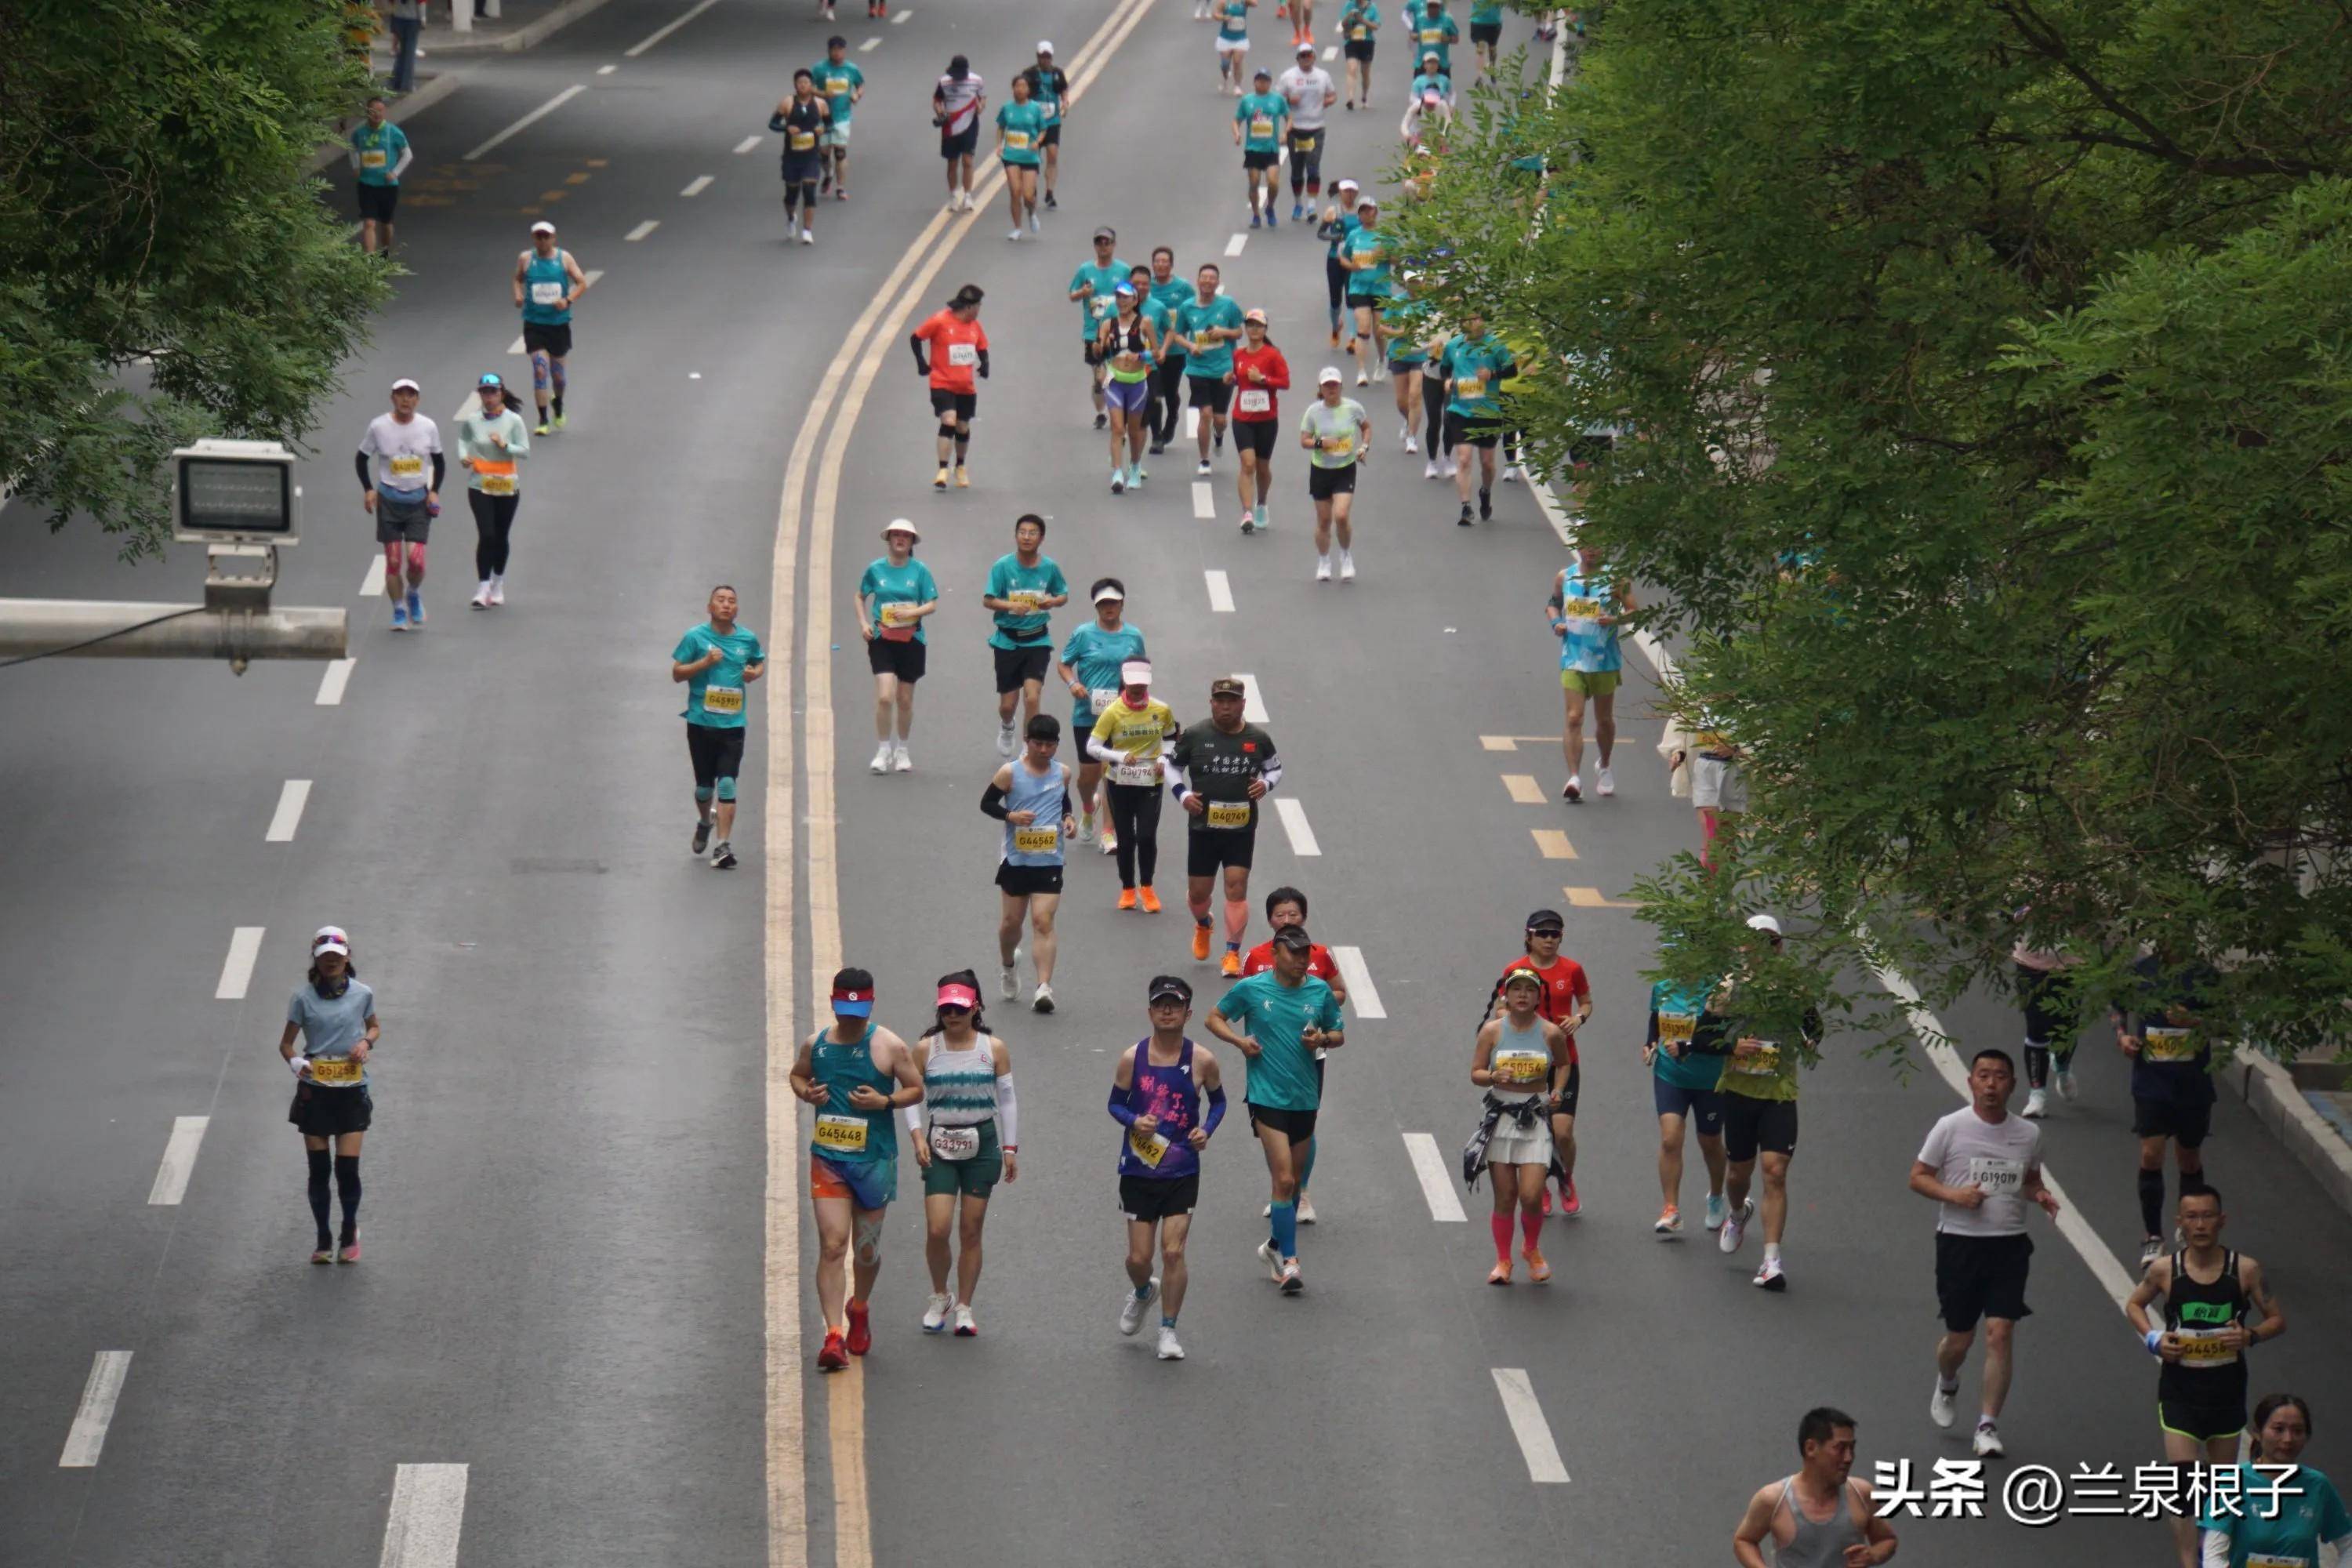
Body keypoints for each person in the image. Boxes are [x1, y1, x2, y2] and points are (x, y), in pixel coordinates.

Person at [1910, 1048, 2060, 1458]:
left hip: (2009, 1244)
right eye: (1983, 1075)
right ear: (1972, 1082)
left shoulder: (2028, 1134)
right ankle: (1947, 1380)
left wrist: (2041, 1195)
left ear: (2012, 1084)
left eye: (2000, 1076)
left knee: (2000, 1332)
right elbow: (1918, 1177)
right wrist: (1954, 1195)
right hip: (1959, 1243)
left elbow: (2030, 1180)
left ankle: (1987, 1425)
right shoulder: (1951, 1127)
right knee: (1960, 1338)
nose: (1991, 1084)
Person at [2126, 1187, 2285, 1568]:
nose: (2200, 1225)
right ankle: (2189, 1562)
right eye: (2192, 1217)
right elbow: (2134, 1304)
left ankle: (2212, 1550)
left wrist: (2250, 1336)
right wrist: (2154, 1339)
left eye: (2207, 1216)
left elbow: (2277, 1319)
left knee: (2219, 1485)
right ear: (2180, 1223)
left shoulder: (2245, 1270)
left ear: (2221, 1220)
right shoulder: (2165, 1270)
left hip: (2226, 1392)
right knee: (2184, 1482)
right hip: (2179, 1390)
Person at [790, 968, 925, 1371]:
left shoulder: (890, 1046)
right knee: (833, 1245)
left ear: (871, 1005)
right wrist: (807, 1092)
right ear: (833, 1004)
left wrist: (884, 1103)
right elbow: (797, 1075)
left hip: (874, 1162)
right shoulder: (816, 1045)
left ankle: (860, 1307)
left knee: (866, 1251)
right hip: (828, 1160)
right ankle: (833, 1335)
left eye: (859, 1012)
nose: (851, 1019)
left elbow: (916, 1089)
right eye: (844, 1011)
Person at [1207, 924, 1345, 1294]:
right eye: (1294, 953)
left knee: (1294, 1184)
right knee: (1283, 1180)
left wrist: (1322, 1039)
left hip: (1305, 1097)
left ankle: (1273, 1246)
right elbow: (1214, 1017)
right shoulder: (1253, 988)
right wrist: (1240, 1042)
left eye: (1305, 953)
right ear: (1276, 954)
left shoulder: (1319, 991)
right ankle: (1291, 1262)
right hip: (1266, 1096)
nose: (1302, 960)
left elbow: (1338, 1033)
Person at [1112, 975, 1229, 1362]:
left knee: (1174, 1252)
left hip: (1182, 1169)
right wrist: (1134, 1121)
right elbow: (1115, 1104)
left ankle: (1168, 1331)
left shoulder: (1202, 1060)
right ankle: (1144, 1291)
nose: (1167, 1011)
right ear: (1149, 1012)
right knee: (1138, 1259)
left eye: (1175, 1005)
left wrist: (1205, 1130)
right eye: (1160, 1004)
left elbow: (1219, 1102)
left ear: (1187, 1014)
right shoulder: (1132, 1058)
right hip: (1139, 1169)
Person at [906, 971, 1019, 1337]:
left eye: (959, 1008)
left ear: (976, 1008)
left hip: (981, 1144)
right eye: (946, 1009)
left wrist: (1010, 1148)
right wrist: (917, 1137)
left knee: (971, 1230)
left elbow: (1007, 1100)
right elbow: (911, 1095)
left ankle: (965, 1307)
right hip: (940, 1144)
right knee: (938, 1228)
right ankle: (940, 1296)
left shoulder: (993, 1048)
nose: (952, 1015)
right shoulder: (926, 1049)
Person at [1718, 913, 1824, 1290]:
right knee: (1738, 1175)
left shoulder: (1794, 987)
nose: (1765, 950)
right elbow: (1706, 1035)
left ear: (1780, 946)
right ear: (1744, 947)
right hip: (1740, 1093)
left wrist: (1811, 1040)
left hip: (1779, 1094)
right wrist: (1733, 1045)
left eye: (1772, 943)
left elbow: (1814, 1024)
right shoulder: (1729, 987)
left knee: (1775, 1172)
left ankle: (1771, 1261)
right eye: (1757, 943)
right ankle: (1737, 1212)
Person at [1240, 887, 1347, 1222]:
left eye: (1293, 914)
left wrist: (1313, 1006)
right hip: (1268, 1057)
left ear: (1304, 916)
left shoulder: (1320, 955)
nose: (1286, 919)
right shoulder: (1255, 957)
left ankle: (1300, 1193)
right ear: (1269, 919)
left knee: (1303, 1124)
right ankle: (1281, 1188)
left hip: (1309, 1054)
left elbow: (1339, 993)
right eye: (1280, 914)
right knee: (1272, 1129)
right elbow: (1244, 1000)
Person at [278, 926, 379, 1265]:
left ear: (347, 957)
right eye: (325, 957)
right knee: (319, 1170)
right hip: (316, 1091)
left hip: (351, 1090)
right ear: (316, 960)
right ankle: (323, 1237)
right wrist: (296, 1062)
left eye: (337, 956)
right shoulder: (303, 998)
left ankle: (349, 1231)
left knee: (347, 1170)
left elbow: (374, 1026)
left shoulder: (363, 994)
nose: (331, 961)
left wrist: (365, 1043)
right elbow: (286, 1044)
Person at [2116, 947, 2223, 1268]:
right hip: (2151, 1081)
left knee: (2188, 1159)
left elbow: (2228, 1025)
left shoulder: (2205, 975)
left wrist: (2195, 1021)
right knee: (2151, 1155)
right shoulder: (2141, 970)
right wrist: (2122, 1036)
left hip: (2193, 1083)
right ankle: (2153, 1237)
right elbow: (2117, 1006)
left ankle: (2188, 1228)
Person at [1480, 909, 1588, 1215]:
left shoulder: (1572, 969)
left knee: (1562, 1131)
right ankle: (1539, 1185)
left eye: (1555, 934)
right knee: (1530, 1130)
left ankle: (1565, 1177)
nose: (1549, 940)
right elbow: (1500, 1008)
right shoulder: (1515, 970)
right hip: (1527, 1063)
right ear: (1529, 937)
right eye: (1542, 934)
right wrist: (1518, 1018)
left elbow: (1586, 1002)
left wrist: (1579, 1018)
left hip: (1563, 1061)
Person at [1171, 675, 1281, 975]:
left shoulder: (1258, 739)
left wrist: (1266, 785)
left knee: (1236, 886)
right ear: (1211, 703)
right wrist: (1183, 795)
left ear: (1243, 704)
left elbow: (1275, 769)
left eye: (1232, 702)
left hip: (1241, 827)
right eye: (1220, 701)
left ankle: (1232, 952)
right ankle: (1203, 923)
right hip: (1203, 828)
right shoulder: (1195, 735)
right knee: (1198, 894)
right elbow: (1172, 767)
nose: (1226, 707)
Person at [1468, 967, 1568, 1284]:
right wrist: (1493, 1076)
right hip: (1501, 1118)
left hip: (1534, 1118)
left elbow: (1564, 1064)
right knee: (1506, 1195)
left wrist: (1557, 1091)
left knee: (1532, 1195)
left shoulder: (1551, 1033)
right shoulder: (1492, 1032)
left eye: (1529, 990)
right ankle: (1503, 1260)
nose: (1522, 995)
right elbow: (1475, 1073)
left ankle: (1531, 1249)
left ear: (1538, 997)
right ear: (1506, 996)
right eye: (1516, 989)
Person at [983, 714, 1079, 1012]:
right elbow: (987, 803)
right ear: (1027, 742)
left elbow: (1063, 801)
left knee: (1043, 921)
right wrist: (1010, 816)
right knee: (1011, 924)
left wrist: (1068, 818)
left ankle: (1043, 988)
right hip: (1017, 859)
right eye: (1038, 744)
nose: (1044, 750)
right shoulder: (1009, 773)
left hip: (1050, 859)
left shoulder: (1063, 773)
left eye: (1050, 745)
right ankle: (1008, 965)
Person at [1730, 1408, 1900, 1568]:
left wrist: (1873, 1555)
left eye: (1852, 1448)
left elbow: (1887, 1539)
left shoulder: (1862, 1494)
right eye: (1840, 1448)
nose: (1849, 1458)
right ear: (1811, 1448)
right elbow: (1744, 1540)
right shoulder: (1774, 1499)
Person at [671, 585, 766, 869]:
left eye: (732, 601)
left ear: (737, 609)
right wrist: (704, 662)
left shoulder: (747, 639)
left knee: (727, 783)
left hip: (733, 724)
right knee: (704, 788)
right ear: (709, 607)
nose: (726, 605)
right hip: (701, 722)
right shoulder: (695, 637)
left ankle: (722, 846)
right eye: (721, 600)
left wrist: (753, 673)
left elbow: (759, 662)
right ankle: (705, 820)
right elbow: (677, 673)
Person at [2198, 1395, 2352, 1568]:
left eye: (2298, 1431)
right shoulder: (2232, 1483)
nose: (2288, 1439)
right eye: (2278, 1429)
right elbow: (2213, 1555)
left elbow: (2348, 1545)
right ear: (2258, 1432)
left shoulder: (2318, 1486)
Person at [1058, 579, 1149, 850]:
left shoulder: (1133, 636)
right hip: (1087, 715)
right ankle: (1089, 806)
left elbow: (1141, 671)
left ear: (1122, 604)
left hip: (1121, 715)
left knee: (1113, 773)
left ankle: (1109, 832)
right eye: (1103, 603)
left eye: (1113, 603)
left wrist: (1138, 699)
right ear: (1096, 606)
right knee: (1088, 777)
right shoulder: (1083, 634)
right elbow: (1064, 664)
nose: (1109, 608)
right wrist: (1073, 684)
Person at [1088, 662, 1181, 910]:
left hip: (1151, 780)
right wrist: (1119, 756)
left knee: (1147, 835)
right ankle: (1128, 889)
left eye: (1142, 684)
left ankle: (1147, 887)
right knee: (1126, 838)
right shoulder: (1112, 712)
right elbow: (1092, 747)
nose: (1137, 688)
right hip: (1119, 781)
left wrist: (1163, 758)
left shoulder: (1161, 709)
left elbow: (1171, 738)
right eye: (1133, 684)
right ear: (1125, 683)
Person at [1548, 541, 1635, 801]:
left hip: (1604, 661)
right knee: (1574, 717)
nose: (1592, 550)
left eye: (1596, 545)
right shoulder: (1565, 576)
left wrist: (1615, 619)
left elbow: (1634, 611)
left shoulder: (1616, 579)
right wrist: (1556, 623)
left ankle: (1604, 765)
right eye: (1586, 545)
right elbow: (1552, 604)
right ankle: (1574, 778)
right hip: (1573, 659)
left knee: (1604, 720)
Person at [356, 377, 442, 633]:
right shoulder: (379, 426)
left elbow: (440, 462)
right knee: (393, 560)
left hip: (417, 501)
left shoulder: (428, 426)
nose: (406, 399)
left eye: (411, 395)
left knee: (416, 561)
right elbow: (361, 458)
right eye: (401, 394)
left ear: (418, 400)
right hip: (389, 500)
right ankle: (398, 610)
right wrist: (368, 489)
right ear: (392, 398)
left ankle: (413, 592)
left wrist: (434, 492)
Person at [1647, 967, 1729, 1236]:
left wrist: (1689, 1046)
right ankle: (1671, 1209)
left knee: (1710, 1141)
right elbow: (1656, 1021)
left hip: (1710, 1080)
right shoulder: (1662, 987)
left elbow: (1722, 1039)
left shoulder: (1720, 990)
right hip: (1670, 1075)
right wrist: (1651, 1044)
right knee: (1670, 1139)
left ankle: (1716, 1195)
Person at [984, 514, 1071, 756]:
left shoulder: (1049, 567)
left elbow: (1063, 595)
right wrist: (1010, 606)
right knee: (1007, 705)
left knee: (1032, 698)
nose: (1027, 537)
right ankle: (1007, 725)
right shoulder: (1002, 566)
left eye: (1032, 533)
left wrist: (1052, 601)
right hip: (1007, 641)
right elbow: (988, 600)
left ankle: (1027, 747)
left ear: (1041, 538)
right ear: (1016, 536)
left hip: (1037, 639)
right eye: (1022, 532)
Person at [857, 521, 938, 774]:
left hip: (912, 639)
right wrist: (864, 624)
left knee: (904, 699)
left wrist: (912, 612)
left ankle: (902, 749)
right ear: (889, 539)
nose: (901, 539)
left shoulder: (920, 571)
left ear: (912, 542)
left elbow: (932, 603)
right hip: (882, 638)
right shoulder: (875, 569)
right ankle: (883, 749)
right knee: (885, 696)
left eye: (906, 536)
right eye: (896, 535)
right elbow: (860, 596)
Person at [456, 373, 529, 609]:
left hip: (507, 486)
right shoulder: (473, 420)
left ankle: (498, 583)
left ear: (501, 394)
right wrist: (464, 457)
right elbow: (463, 440)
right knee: (486, 534)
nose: (489, 397)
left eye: (493, 392)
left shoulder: (513, 421)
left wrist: (505, 445)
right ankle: (483, 586)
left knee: (501, 535)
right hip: (480, 485)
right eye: (484, 392)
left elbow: (525, 451)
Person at [1438, 310, 1515, 524]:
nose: (1473, 323)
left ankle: (1485, 491)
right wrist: (1446, 381)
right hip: (1460, 410)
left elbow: (1512, 370)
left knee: (1487, 463)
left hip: (1488, 411)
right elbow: (1444, 369)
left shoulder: (1495, 345)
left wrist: (1492, 375)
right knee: (1464, 459)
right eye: (1468, 319)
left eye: (1477, 319)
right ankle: (1466, 507)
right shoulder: (1453, 345)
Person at [909, 284, 989, 490]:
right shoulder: (940, 321)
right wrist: (921, 363)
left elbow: (982, 347)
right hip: (942, 382)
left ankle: (960, 466)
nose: (979, 310)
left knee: (962, 426)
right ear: (969, 307)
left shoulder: (975, 326)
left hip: (966, 386)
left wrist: (985, 364)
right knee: (949, 420)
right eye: (978, 306)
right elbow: (916, 338)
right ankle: (942, 469)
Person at [513, 221, 589, 436]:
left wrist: (568, 300)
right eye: (539, 237)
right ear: (534, 239)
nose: (543, 241)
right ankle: (543, 420)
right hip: (534, 324)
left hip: (558, 325)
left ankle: (558, 402)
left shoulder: (564, 258)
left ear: (553, 238)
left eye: (546, 237)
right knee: (539, 369)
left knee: (558, 378)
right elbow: (517, 279)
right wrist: (518, 294)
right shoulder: (526, 259)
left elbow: (582, 283)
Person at [1174, 263, 1247, 477]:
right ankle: (1204, 460)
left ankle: (1219, 435)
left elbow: (1239, 331)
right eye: (1203, 277)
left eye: (1211, 278)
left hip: (1223, 369)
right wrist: (1190, 346)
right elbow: (1178, 334)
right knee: (1205, 414)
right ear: (1198, 281)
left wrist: (1224, 332)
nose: (1207, 281)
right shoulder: (1187, 307)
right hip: (1197, 368)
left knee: (1220, 419)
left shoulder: (1228, 305)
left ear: (1217, 282)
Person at [1299, 366, 1370, 581]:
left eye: (1335, 385)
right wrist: (1321, 443)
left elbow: (1366, 427)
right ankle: (1324, 560)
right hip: (1321, 470)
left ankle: (1345, 555)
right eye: (1327, 385)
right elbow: (1304, 441)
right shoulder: (1313, 412)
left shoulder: (1353, 408)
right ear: (1320, 388)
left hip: (1345, 469)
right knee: (1324, 520)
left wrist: (1363, 447)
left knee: (1341, 515)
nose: (1331, 389)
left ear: (1341, 386)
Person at [1229, 309, 1291, 533]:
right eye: (1251, 325)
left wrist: (1262, 379)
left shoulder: (1273, 355)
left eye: (1259, 326)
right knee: (1248, 464)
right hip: (1242, 417)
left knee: (1262, 467)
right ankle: (1247, 512)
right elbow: (1238, 378)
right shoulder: (1239, 354)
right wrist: (1231, 379)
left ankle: (1262, 503)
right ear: (1246, 328)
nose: (1254, 329)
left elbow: (1285, 382)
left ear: (1265, 329)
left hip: (1266, 419)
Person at [1069, 227, 1137, 427]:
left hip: (1120, 330)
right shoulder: (1085, 270)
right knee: (1099, 376)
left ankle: (1118, 408)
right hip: (1094, 331)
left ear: (1114, 245)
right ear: (1095, 246)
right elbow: (1072, 295)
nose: (1103, 246)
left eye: (1107, 242)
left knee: (1118, 371)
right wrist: (1083, 292)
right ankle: (1101, 412)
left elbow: (1136, 296)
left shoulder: (1123, 270)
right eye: (1099, 242)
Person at [2013, 933, 2082, 1118]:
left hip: (2072, 966)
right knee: (2037, 1028)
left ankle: (2062, 1068)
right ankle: (2037, 1096)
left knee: (2067, 1028)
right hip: (2031, 964)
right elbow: (2011, 918)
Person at [1098, 283, 1160, 492]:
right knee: (1117, 428)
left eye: (1126, 298)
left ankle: (1134, 466)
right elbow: (1098, 349)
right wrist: (1102, 344)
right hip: (1115, 381)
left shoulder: (1145, 323)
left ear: (1135, 300)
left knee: (1133, 431)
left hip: (1137, 382)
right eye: (1118, 297)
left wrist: (1141, 355)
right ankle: (1117, 472)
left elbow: (1157, 353)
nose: (1121, 302)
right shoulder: (1108, 324)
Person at [771, 71, 832, 245]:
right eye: (800, 83)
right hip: (791, 157)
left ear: (811, 85)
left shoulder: (820, 104)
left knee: (809, 190)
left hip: (811, 156)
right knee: (791, 195)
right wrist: (786, 128)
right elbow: (773, 124)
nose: (803, 86)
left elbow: (830, 124)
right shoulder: (788, 103)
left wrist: (823, 129)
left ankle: (807, 230)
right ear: (795, 85)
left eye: (806, 82)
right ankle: (791, 217)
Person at [1276, 45, 1335, 220]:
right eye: (1302, 56)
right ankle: (1298, 203)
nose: (1306, 58)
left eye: (1309, 55)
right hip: (1296, 129)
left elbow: (1333, 95)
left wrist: (1327, 102)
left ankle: (1311, 206)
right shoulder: (1288, 76)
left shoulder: (1322, 76)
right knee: (1297, 169)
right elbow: (1277, 100)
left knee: (1313, 167)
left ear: (1314, 57)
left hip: (1316, 128)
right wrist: (1288, 100)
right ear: (1297, 58)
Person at [1145, 248, 1195, 453]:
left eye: (1165, 261)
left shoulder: (1183, 287)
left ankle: (1172, 416)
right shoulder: (1146, 287)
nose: (1161, 265)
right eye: (1157, 261)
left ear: (1171, 264)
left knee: (1169, 391)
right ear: (1152, 264)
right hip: (1152, 351)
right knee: (1153, 393)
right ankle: (1157, 436)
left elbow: (1193, 312)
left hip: (1175, 350)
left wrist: (1192, 343)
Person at [349, 96, 412, 256]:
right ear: (367, 112)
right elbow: (352, 148)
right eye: (373, 111)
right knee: (369, 223)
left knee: (386, 223)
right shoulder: (360, 133)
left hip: (387, 186)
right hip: (366, 184)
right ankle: (370, 261)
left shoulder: (393, 132)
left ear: (385, 112)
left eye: (380, 110)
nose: (377, 114)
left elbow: (407, 154)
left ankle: (384, 251)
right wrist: (356, 166)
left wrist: (395, 173)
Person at [1340, 195, 1392, 385]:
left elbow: (1398, 259)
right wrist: (1351, 266)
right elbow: (1343, 257)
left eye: (1369, 210)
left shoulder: (1386, 235)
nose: (1366, 213)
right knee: (1363, 327)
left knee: (1379, 330)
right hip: (1359, 287)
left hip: (1381, 288)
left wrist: (1386, 255)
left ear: (1375, 212)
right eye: (1362, 210)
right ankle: (1361, 371)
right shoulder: (1354, 235)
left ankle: (1381, 360)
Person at [1017, 43, 1073, 209]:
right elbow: (1020, 91)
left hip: (1052, 121)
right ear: (1037, 56)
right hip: (1034, 122)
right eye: (1043, 56)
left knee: (1052, 154)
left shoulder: (1057, 74)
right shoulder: (1029, 74)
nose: (1045, 60)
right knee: (1032, 156)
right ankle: (1031, 187)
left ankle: (1049, 192)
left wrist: (1065, 102)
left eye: (1048, 57)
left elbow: (1063, 89)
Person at [995, 72, 1048, 240]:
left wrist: (1038, 142)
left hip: (1030, 156)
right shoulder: (1007, 108)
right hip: (1011, 154)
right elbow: (1000, 127)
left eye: (1023, 86)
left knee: (1028, 195)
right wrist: (999, 145)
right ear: (1013, 89)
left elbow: (1043, 129)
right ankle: (1017, 228)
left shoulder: (1035, 108)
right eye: (1017, 86)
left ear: (1028, 90)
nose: (1020, 89)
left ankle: (1031, 213)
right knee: (1015, 191)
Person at [1382, 274, 1432, 452]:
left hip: (1421, 355)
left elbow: (1439, 324)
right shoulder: (1397, 302)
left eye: (1418, 282)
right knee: (1401, 402)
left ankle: (1412, 437)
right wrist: (1399, 333)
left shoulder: (1429, 304)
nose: (1415, 285)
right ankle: (1408, 420)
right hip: (1400, 354)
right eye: (1411, 282)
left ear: (1423, 283)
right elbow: (1382, 327)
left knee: (1415, 395)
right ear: (1405, 283)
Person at [811, 35, 866, 198]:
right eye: (833, 50)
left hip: (842, 116)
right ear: (828, 51)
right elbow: (809, 87)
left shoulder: (851, 69)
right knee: (823, 153)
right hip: (822, 116)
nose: (837, 53)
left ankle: (841, 187)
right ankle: (828, 174)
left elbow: (860, 85)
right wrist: (822, 93)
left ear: (844, 50)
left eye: (840, 50)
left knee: (840, 153)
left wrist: (856, 95)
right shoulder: (819, 68)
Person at [1235, 70, 1290, 227]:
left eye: (1265, 81)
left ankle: (1270, 207)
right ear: (1255, 82)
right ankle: (1256, 215)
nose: (1262, 83)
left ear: (1270, 83)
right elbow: (1236, 120)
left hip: (1271, 149)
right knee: (1254, 182)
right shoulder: (1247, 101)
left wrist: (1286, 133)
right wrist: (1237, 133)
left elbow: (1289, 117)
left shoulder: (1278, 100)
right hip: (1253, 149)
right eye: (1259, 80)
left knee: (1273, 182)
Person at [933, 56, 985, 212]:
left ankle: (968, 195)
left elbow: (982, 98)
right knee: (952, 163)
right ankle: (953, 195)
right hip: (950, 126)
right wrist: (940, 111)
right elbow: (937, 100)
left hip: (969, 124)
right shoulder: (944, 82)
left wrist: (980, 107)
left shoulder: (976, 81)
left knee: (968, 161)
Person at [1316, 179, 1363, 348]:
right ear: (1340, 193)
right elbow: (1321, 233)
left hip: (1354, 259)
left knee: (1352, 297)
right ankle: (1336, 327)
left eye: (1352, 191)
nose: (1349, 195)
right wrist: (1335, 237)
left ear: (1356, 193)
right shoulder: (1333, 211)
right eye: (1346, 191)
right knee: (1335, 299)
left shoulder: (1361, 212)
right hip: (1335, 258)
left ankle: (1352, 338)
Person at [1339, 0, 1379, 107]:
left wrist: (1363, 20)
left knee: (1365, 73)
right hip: (1351, 41)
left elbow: (1376, 26)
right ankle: (1350, 99)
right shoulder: (1349, 5)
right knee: (1352, 68)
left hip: (1367, 42)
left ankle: (1364, 95)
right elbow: (1342, 23)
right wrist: (1349, 15)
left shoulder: (1372, 7)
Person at [1406, 0, 1459, 78]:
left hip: (1441, 63)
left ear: (1440, 6)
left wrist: (1447, 39)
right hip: (1422, 62)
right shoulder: (1420, 18)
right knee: (1420, 85)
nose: (1433, 9)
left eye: (1435, 6)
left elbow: (1456, 39)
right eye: (1430, 6)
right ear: (1427, 6)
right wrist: (1417, 36)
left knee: (1443, 85)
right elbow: (1413, 34)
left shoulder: (1447, 20)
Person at [1214, 0, 1255, 94]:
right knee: (1225, 64)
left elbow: (1255, 4)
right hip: (1225, 38)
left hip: (1240, 38)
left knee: (1237, 62)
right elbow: (1215, 14)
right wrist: (1223, 17)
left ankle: (1237, 86)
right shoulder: (1224, 2)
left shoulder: (1244, 2)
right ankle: (1225, 78)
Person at [385, 0, 423, 94]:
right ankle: (406, 85)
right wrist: (422, 19)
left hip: (398, 18)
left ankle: (395, 82)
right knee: (410, 52)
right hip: (412, 19)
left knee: (402, 52)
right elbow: (421, 3)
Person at [1467, 0, 1504, 78]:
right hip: (1487, 21)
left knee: (1487, 48)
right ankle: (1482, 73)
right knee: (1486, 47)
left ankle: (1486, 70)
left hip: (1486, 21)